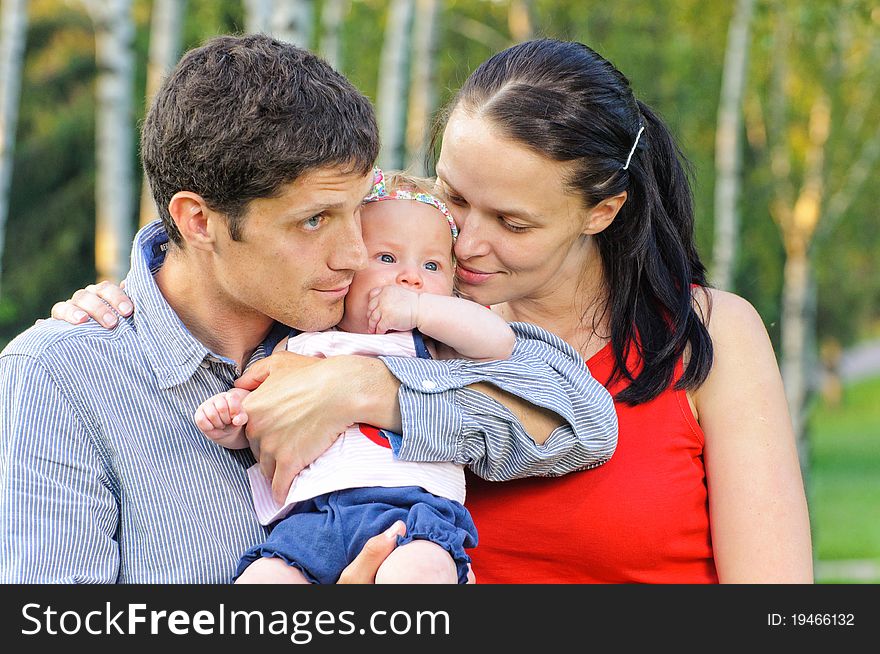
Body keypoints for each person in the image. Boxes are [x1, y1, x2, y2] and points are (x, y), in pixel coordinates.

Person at [52, 37, 814, 583]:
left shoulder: (709, 336)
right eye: (452, 196)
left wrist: (366, 392)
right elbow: (253, 234)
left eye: (512, 223)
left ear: (601, 212)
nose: (467, 242)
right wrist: (133, 291)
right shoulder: (357, 306)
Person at [0, 35, 618, 584]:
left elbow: (586, 421)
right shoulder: (59, 379)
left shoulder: (359, 317)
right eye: (315, 220)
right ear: (199, 220)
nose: (354, 254)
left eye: (357, 211)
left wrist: (364, 388)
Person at [199, 170, 515, 584]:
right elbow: (267, 419)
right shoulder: (301, 344)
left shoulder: (435, 345)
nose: (411, 277)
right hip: (312, 517)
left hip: (411, 511)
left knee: (416, 572)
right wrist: (233, 420)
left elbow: (498, 342)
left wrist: (420, 311)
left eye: (433, 265)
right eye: (387, 258)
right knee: (263, 578)